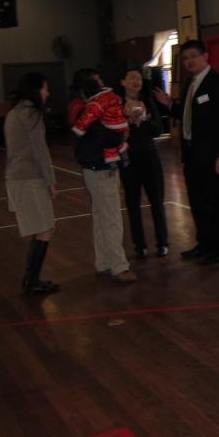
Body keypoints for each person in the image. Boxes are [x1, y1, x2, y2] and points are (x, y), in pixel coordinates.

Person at [154, 39, 219, 264]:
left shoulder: (218, 83)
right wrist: (170, 105)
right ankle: (205, 243)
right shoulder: (191, 83)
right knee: (198, 201)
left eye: (193, 56)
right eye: (185, 58)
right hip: (192, 154)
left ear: (205, 56)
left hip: (213, 155)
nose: (189, 61)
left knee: (216, 202)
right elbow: (190, 115)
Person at [68, 68, 137, 284]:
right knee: (111, 218)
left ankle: (104, 262)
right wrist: (121, 135)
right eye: (98, 82)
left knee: (101, 216)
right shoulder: (84, 108)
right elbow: (102, 136)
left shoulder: (82, 106)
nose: (101, 86)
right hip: (99, 168)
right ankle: (119, 266)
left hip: (95, 167)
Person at [4, 71, 60, 294]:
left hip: (17, 176)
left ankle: (31, 280)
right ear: (36, 90)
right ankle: (31, 281)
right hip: (29, 177)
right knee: (45, 228)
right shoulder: (32, 113)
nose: (48, 92)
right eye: (45, 88)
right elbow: (40, 151)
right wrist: (51, 182)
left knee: (42, 228)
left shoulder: (14, 112)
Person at [118, 66, 169, 258]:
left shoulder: (147, 101)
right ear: (123, 82)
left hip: (149, 157)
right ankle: (140, 245)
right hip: (129, 158)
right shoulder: (116, 103)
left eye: (139, 79)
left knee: (157, 201)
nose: (136, 82)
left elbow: (158, 130)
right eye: (132, 78)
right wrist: (127, 119)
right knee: (133, 203)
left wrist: (145, 118)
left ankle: (162, 242)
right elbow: (113, 131)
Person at [71, 76, 129, 167]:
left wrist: (78, 129)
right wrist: (120, 135)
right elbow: (105, 138)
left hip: (99, 162)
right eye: (98, 80)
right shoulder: (90, 108)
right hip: (97, 164)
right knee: (115, 146)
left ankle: (115, 163)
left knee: (112, 149)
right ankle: (119, 161)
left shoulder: (97, 104)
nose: (102, 82)